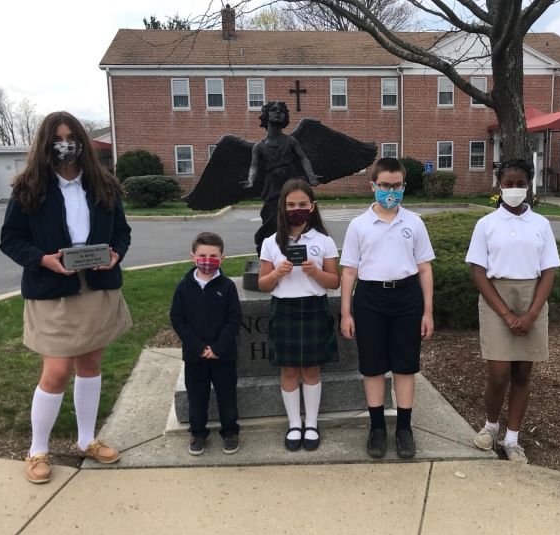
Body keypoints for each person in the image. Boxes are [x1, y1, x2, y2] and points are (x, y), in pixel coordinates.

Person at [0, 111, 132, 484]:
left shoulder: (103, 184)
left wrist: (116, 254)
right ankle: (37, 450)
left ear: (82, 142)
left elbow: (122, 232)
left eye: (71, 136)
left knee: (90, 365)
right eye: (57, 138)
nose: (65, 144)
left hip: (96, 287)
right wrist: (42, 260)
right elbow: (10, 239)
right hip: (53, 290)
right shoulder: (29, 187)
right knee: (56, 371)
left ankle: (87, 440)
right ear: (46, 144)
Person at [465, 159, 560, 463]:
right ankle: (491, 426)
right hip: (497, 298)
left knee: (522, 373)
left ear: (529, 184)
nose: (515, 189)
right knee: (498, 374)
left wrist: (532, 313)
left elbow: (548, 271)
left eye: (521, 184)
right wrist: (506, 314)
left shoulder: (541, 224)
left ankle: (512, 439)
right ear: (499, 185)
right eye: (509, 183)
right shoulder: (487, 224)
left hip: (532, 297)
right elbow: (478, 272)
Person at [340, 157, 435, 459]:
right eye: (385, 186)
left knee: (406, 365)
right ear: (373, 186)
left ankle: (404, 428)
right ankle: (377, 427)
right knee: (373, 366)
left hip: (407, 298)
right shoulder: (358, 226)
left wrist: (428, 311)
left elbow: (424, 269)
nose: (390, 191)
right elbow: (349, 272)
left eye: (396, 185)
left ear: (404, 186)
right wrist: (346, 312)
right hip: (370, 299)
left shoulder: (414, 223)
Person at [258, 179, 340, 451]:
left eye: (302, 204)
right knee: (289, 370)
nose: (297, 209)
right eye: (291, 205)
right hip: (284, 309)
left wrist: (314, 272)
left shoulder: (324, 241)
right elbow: (263, 284)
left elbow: (334, 282)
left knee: (312, 370)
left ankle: (312, 423)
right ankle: (295, 424)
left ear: (312, 206)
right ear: (282, 207)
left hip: (314, 307)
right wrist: (276, 273)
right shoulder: (271, 242)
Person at [170, 232, 242, 456]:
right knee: (197, 396)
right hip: (195, 356)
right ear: (193, 256)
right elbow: (178, 319)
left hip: (224, 356)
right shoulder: (184, 287)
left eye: (213, 255)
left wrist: (218, 348)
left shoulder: (228, 287)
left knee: (226, 395)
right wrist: (199, 347)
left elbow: (234, 320)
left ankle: (230, 431)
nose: (207, 260)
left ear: (222, 258)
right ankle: (198, 433)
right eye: (202, 255)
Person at [246, 101, 319, 255]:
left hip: (289, 181)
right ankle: (266, 251)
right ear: (266, 116)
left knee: (293, 217)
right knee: (270, 219)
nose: (278, 112)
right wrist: (251, 179)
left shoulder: (291, 141)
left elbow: (303, 158)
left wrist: (311, 176)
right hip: (272, 186)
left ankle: (293, 250)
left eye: (281, 110)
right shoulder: (259, 147)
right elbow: (254, 166)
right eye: (273, 110)